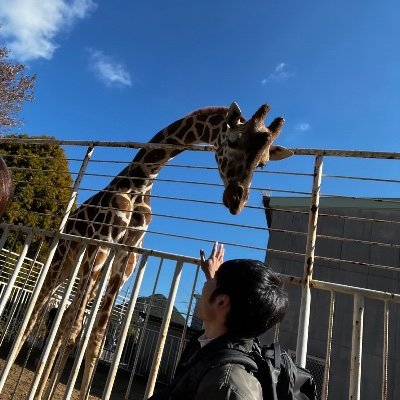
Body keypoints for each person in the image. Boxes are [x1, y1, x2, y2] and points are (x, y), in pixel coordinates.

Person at [149, 242, 288, 400]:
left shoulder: (225, 386)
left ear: (222, 302)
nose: (205, 284)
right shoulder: (214, 348)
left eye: (213, 280)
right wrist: (214, 279)